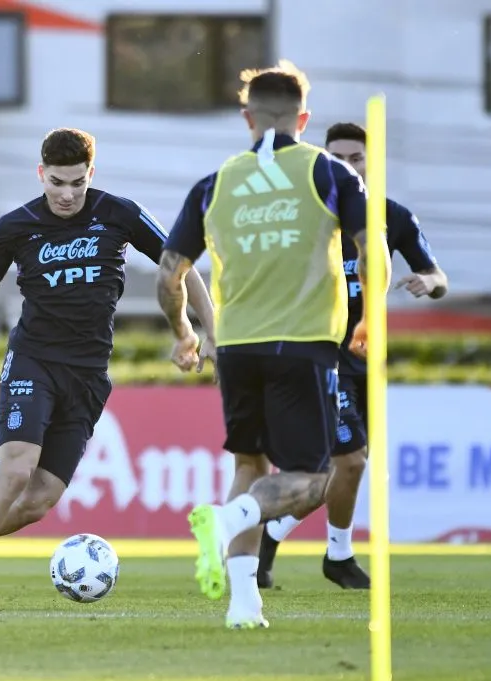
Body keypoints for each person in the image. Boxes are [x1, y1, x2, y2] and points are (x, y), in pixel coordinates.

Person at [0, 127, 216, 608]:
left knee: (38, 500)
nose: (67, 193)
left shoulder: (119, 213)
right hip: (32, 361)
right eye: (57, 181)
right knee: (15, 472)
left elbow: (180, 268)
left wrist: (205, 332)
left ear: (90, 174)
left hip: (89, 374)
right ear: (42, 174)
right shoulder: (16, 226)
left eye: (77, 182)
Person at [156, 60, 391, 629]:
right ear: (303, 118)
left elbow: (169, 273)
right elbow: (373, 248)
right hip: (302, 343)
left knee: (249, 462)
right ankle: (229, 517)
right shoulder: (329, 173)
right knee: (312, 478)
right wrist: (368, 320)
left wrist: (185, 332)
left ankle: (244, 606)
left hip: (235, 347)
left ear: (247, 119)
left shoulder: (215, 184)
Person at [257, 122, 448, 590]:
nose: (345, 164)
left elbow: (437, 275)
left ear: (371, 162)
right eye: (336, 156)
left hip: (370, 364)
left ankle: (264, 538)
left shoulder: (393, 217)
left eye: (355, 157)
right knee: (350, 464)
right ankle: (337, 556)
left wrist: (430, 283)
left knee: (334, 475)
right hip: (321, 359)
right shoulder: (306, 217)